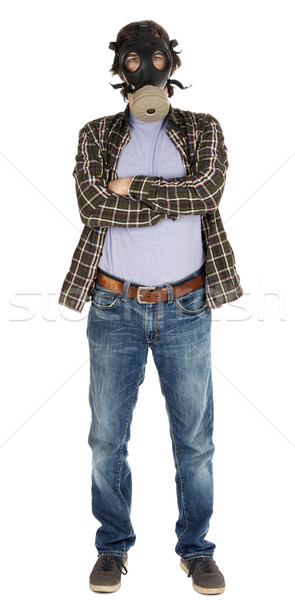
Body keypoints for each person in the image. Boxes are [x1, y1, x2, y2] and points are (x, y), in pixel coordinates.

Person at [59, 19, 243, 595]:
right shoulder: (95, 135)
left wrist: (129, 189)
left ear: (171, 63)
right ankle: (112, 549)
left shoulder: (202, 129)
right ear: (121, 69)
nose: (147, 67)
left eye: (156, 57)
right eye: (134, 60)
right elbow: (92, 205)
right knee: (107, 438)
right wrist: (168, 196)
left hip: (187, 306)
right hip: (114, 306)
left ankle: (196, 549)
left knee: (195, 439)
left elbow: (207, 192)